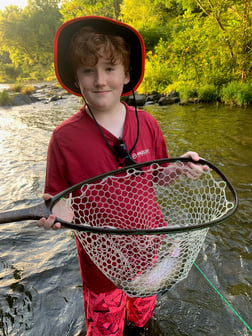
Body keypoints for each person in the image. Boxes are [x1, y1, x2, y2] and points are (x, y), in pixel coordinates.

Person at [37, 16, 208, 336]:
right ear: (76, 78)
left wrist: (180, 166)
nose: (100, 80)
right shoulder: (64, 138)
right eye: (89, 70)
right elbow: (59, 200)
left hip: (151, 251)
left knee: (141, 321)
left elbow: (158, 176)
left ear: (127, 74)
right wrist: (56, 213)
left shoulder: (149, 123)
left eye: (110, 68)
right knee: (105, 330)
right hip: (102, 267)